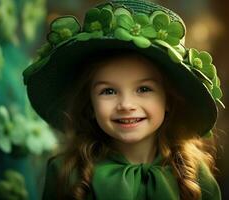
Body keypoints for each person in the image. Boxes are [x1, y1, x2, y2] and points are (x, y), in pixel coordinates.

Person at [23, 0, 224, 199]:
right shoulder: (67, 172)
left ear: (169, 101)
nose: (126, 105)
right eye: (108, 91)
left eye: (144, 89)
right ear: (90, 104)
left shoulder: (193, 174)